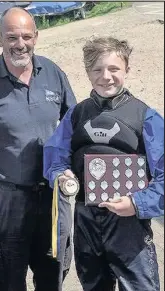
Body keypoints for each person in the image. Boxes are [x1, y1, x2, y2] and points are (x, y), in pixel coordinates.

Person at [0, 7, 77, 291]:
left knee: (52, 276)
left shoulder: (53, 72)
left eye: (26, 36)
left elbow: (76, 126)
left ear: (36, 37)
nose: (20, 44)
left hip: (52, 198)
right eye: (12, 37)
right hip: (7, 200)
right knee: (4, 281)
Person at [44, 37, 164, 291]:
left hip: (129, 225)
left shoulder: (146, 117)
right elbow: (55, 156)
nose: (106, 77)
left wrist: (136, 203)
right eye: (97, 69)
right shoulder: (75, 115)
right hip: (87, 220)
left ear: (127, 70)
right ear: (87, 72)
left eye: (114, 69)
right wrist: (61, 176)